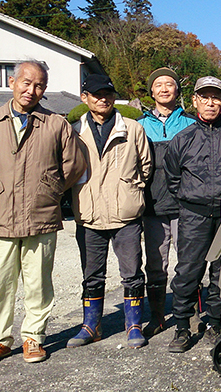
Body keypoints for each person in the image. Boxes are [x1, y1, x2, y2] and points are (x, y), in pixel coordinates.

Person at [0, 61, 85, 363]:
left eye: (38, 85)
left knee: (38, 284)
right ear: (12, 82)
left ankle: (33, 338)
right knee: (0, 282)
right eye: (26, 82)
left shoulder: (55, 123)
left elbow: (75, 163)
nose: (31, 90)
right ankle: (0, 338)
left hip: (42, 213)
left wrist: (51, 187)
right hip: (1, 215)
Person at [164, 76, 221, 353]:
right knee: (188, 270)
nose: (210, 102)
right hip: (193, 214)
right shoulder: (183, 139)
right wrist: (193, 199)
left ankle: (215, 322)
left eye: (215, 97)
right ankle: (181, 325)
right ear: (194, 101)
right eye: (204, 97)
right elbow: (172, 178)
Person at [68, 74, 152, 349]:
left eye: (108, 93)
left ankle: (134, 324)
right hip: (89, 213)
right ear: (85, 98)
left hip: (125, 213)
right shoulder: (73, 131)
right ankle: (91, 325)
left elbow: (146, 166)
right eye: (96, 94)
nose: (103, 98)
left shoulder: (132, 128)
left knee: (132, 272)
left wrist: (131, 190)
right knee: (92, 274)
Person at [138, 67, 195, 337]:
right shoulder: (139, 125)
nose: (164, 89)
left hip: (185, 204)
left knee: (188, 261)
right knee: (155, 264)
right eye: (158, 84)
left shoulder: (190, 123)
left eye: (169, 84)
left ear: (177, 90)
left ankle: (191, 315)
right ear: (152, 92)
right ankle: (157, 316)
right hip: (153, 206)